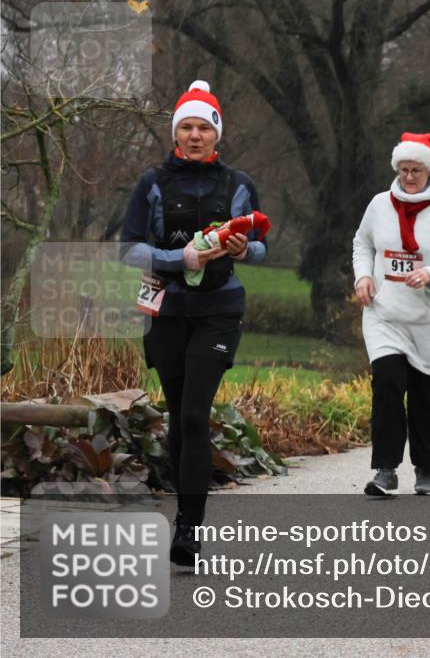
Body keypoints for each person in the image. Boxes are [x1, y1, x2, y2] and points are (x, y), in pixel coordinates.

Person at [121, 81, 268, 565]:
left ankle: (188, 530)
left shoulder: (238, 184)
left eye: (204, 126)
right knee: (179, 415)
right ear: (175, 133)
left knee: (193, 415)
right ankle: (185, 511)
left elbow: (263, 245)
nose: (195, 134)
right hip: (166, 311)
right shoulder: (153, 183)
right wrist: (177, 256)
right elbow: (129, 249)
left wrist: (246, 248)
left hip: (219, 310)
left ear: (216, 134)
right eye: (187, 126)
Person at [352, 133, 430, 496]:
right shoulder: (378, 205)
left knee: (424, 394)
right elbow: (363, 243)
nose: (408, 177)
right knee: (387, 384)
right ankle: (385, 470)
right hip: (385, 314)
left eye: (415, 170)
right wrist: (362, 276)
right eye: (403, 170)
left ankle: (425, 467)